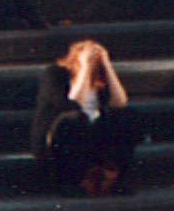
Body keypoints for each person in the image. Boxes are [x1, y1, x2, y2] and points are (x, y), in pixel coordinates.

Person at [30, 39, 140, 194]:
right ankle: (72, 182)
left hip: (92, 133)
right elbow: (73, 104)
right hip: (59, 135)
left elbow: (119, 102)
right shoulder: (56, 73)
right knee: (76, 119)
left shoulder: (101, 79)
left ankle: (116, 179)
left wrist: (107, 65)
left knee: (126, 116)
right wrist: (85, 68)